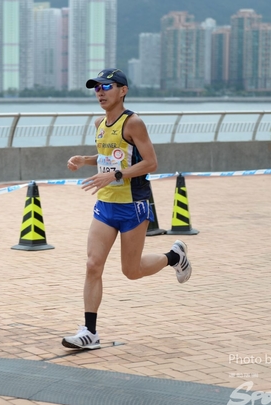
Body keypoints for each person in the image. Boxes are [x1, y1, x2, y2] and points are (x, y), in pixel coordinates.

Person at [62, 68, 192, 350]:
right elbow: (109, 155)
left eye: (106, 87)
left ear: (123, 91)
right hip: (105, 204)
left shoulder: (134, 123)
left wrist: (116, 175)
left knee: (131, 271)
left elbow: (150, 163)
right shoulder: (99, 122)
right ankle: (89, 332)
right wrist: (84, 159)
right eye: (96, 88)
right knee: (93, 265)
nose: (100, 92)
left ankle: (174, 256)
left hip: (133, 204)